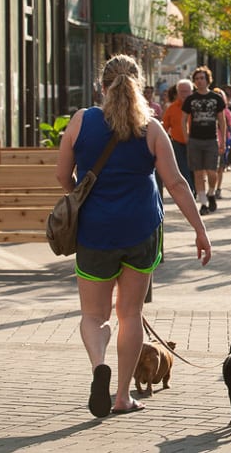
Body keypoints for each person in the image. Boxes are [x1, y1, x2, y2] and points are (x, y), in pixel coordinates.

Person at [55, 54, 212, 418]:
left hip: (94, 232)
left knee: (94, 316)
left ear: (101, 85)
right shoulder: (152, 128)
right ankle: (123, 396)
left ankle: (99, 367)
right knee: (130, 313)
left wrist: (81, 189)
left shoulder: (81, 122)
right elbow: (175, 182)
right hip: (141, 231)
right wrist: (200, 231)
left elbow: (63, 176)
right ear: (139, 84)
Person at [181, 66, 226, 216]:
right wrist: (186, 135)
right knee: (198, 173)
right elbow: (183, 119)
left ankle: (211, 193)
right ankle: (203, 203)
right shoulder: (190, 99)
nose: (200, 81)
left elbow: (222, 120)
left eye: (202, 78)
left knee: (212, 172)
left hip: (211, 139)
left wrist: (223, 139)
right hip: (195, 140)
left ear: (208, 80)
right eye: (197, 79)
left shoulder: (216, 98)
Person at [162, 80, 195, 195]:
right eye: (181, 92)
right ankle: (190, 191)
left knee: (195, 168)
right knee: (183, 168)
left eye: (186, 91)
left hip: (195, 141)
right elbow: (164, 126)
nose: (184, 94)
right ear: (177, 93)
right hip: (178, 143)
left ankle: (195, 188)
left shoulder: (196, 105)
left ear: (191, 91)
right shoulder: (172, 108)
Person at [212, 88, 231, 200]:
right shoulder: (208, 110)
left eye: (220, 96)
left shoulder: (226, 112)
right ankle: (210, 189)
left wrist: (228, 141)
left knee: (220, 168)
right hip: (210, 141)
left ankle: (218, 189)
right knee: (210, 169)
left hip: (222, 142)